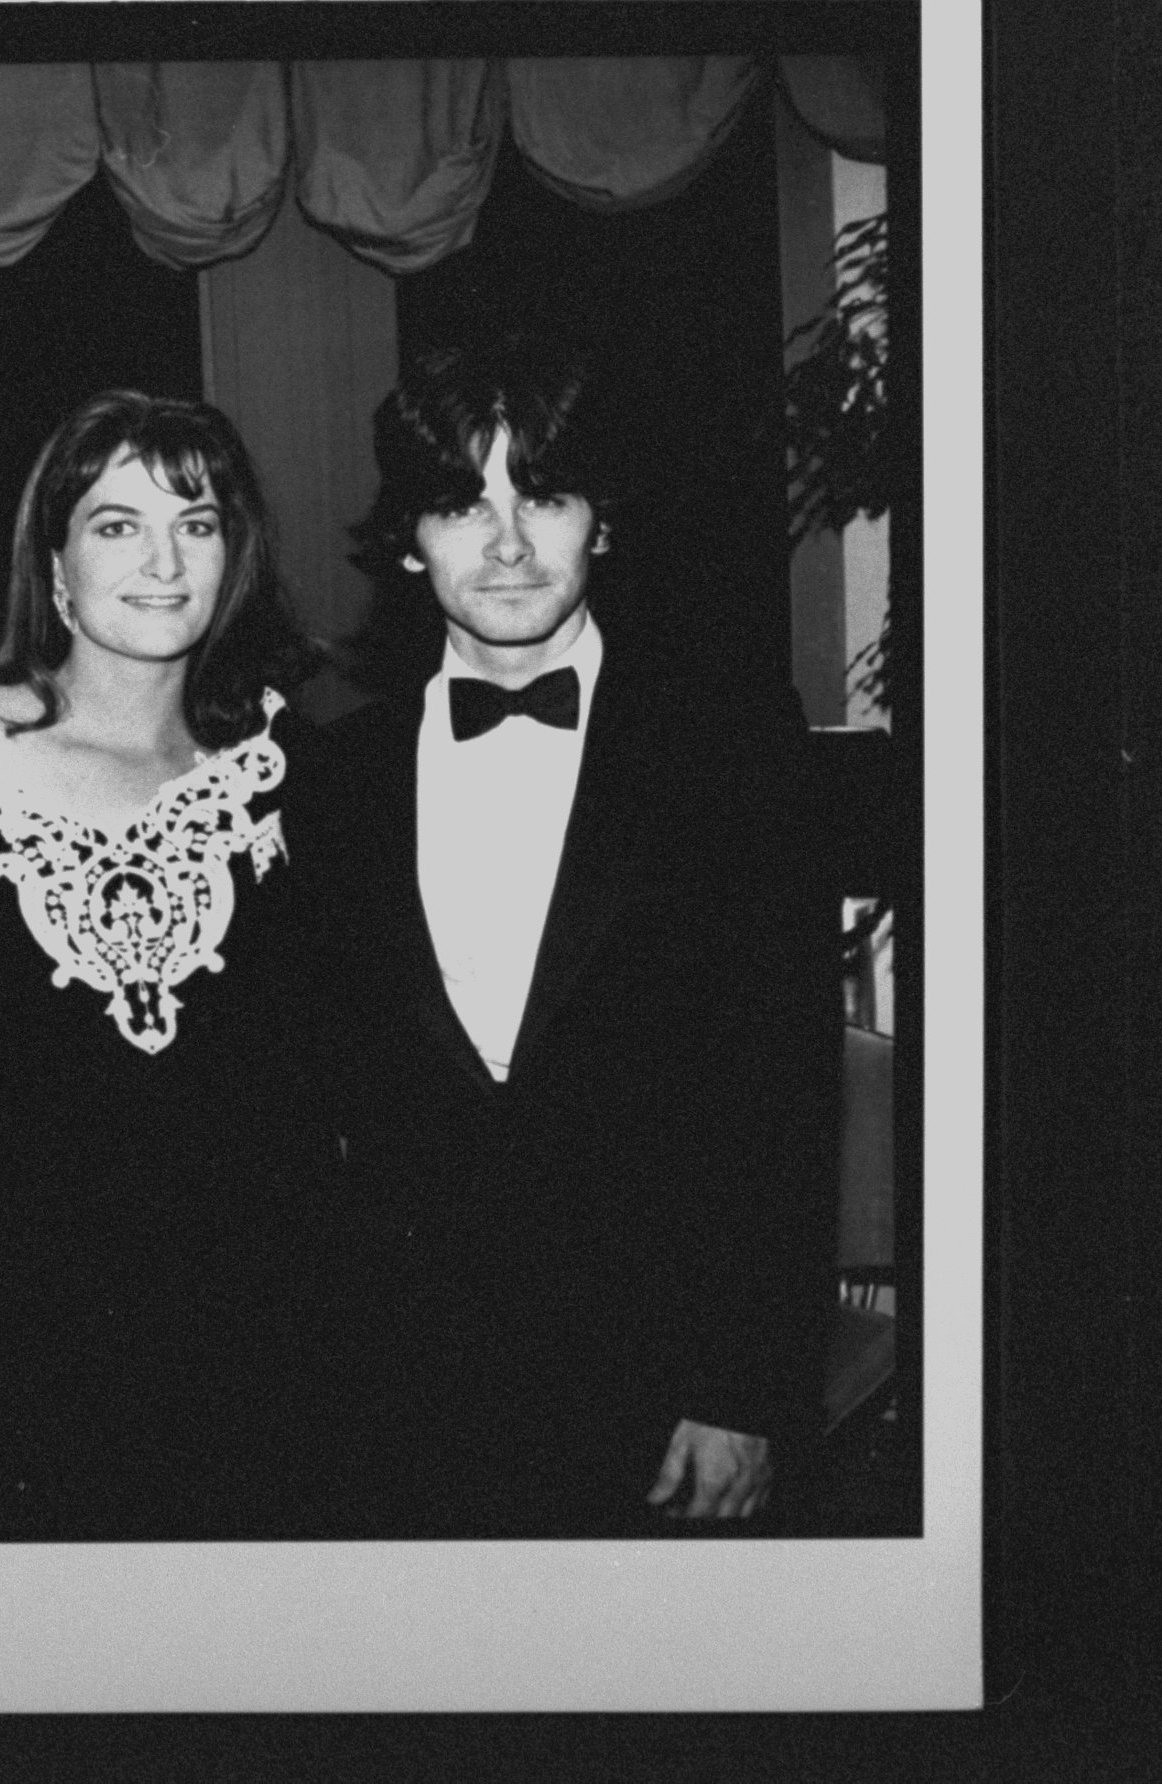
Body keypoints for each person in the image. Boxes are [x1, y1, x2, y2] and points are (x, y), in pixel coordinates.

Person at [285, 329, 838, 1537]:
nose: (506, 543)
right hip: (398, 1395)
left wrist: (740, 1388)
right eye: (458, 503)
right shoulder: (330, 775)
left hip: (657, 1392)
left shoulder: (730, 742)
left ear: (603, 519)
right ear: (407, 539)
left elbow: (784, 1086)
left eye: (541, 494)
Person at [0, 389, 332, 1538]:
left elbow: (316, 1083)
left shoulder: (291, 775)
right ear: (54, 558)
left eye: (196, 520)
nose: (164, 559)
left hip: (254, 1345)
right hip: (12, 1349)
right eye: (117, 523)